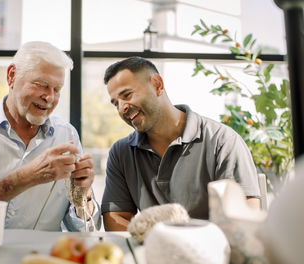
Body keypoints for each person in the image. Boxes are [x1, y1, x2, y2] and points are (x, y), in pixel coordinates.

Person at [0, 41, 101, 231]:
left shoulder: (67, 134)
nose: (49, 97)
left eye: (57, 90)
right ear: (11, 76)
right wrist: (25, 177)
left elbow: (86, 230)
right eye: (41, 85)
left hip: (41, 258)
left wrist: (83, 193)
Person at [101, 56, 260, 231]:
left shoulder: (222, 141)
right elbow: (115, 217)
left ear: (157, 85)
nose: (122, 108)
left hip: (213, 255)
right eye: (116, 103)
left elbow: (243, 220)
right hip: (151, 252)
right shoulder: (121, 152)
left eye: (127, 95)